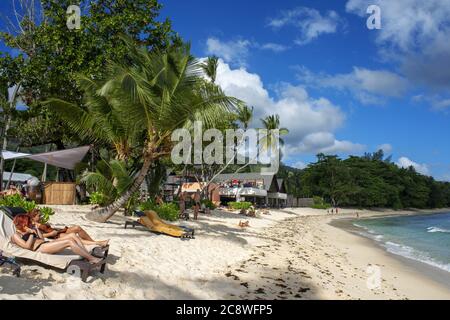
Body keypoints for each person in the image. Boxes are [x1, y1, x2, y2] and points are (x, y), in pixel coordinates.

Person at [11, 214, 102, 264]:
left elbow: (42, 238)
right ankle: (90, 258)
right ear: (23, 223)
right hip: (40, 248)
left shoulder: (31, 229)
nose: (31, 223)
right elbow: (26, 246)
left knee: (73, 235)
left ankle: (84, 252)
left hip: (45, 244)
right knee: (69, 241)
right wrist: (30, 233)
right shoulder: (16, 235)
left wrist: (36, 229)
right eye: (29, 222)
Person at [28, 209, 109, 247]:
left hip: (57, 231)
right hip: (55, 235)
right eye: (39, 216)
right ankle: (97, 243)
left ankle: (94, 243)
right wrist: (51, 233)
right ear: (33, 217)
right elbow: (39, 236)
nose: (41, 217)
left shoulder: (39, 223)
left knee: (77, 228)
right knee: (75, 238)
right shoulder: (34, 226)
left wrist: (49, 227)